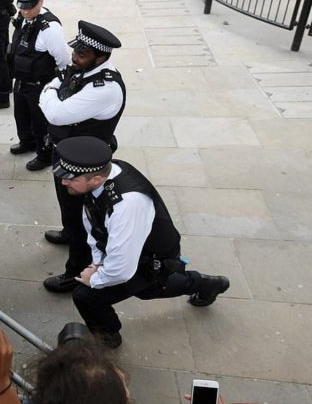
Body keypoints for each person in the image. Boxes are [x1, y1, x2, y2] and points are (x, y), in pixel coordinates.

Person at [53, 136, 230, 348]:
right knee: (149, 290)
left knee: (86, 295)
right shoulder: (105, 174)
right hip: (133, 252)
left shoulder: (127, 205)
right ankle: (206, 284)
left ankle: (107, 336)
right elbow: (91, 222)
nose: (64, 182)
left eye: (70, 178)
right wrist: (98, 262)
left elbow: (121, 270)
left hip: (149, 259)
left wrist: (94, 279)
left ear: (96, 179)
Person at [38, 21, 126, 294]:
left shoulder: (103, 87)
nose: (74, 57)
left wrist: (48, 92)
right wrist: (54, 90)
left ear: (101, 57)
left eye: (82, 54)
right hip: (67, 153)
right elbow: (60, 82)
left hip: (83, 167)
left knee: (81, 217)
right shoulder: (84, 70)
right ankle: (69, 232)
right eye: (76, 50)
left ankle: (76, 271)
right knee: (68, 207)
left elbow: (55, 113)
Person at [8, 0, 70, 172]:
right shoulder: (23, 17)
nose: (25, 11)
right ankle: (26, 141)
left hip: (39, 84)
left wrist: (57, 84)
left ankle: (44, 154)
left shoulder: (49, 28)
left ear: (41, 1)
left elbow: (63, 59)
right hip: (21, 80)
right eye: (22, 6)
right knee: (21, 114)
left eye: (30, 7)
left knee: (40, 121)